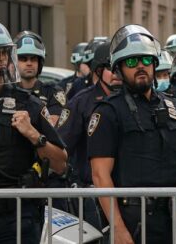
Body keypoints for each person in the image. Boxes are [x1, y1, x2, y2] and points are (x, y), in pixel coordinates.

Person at [88, 25, 176, 244]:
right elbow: (100, 176)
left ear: (155, 64)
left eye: (146, 60)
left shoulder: (175, 106)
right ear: (119, 68)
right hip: (135, 220)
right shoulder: (109, 112)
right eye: (131, 62)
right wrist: (118, 229)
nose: (140, 66)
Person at [0, 19, 67, 243]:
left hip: (17, 217)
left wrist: (33, 135)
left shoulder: (28, 104)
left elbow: (60, 164)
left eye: (4, 52)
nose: (1, 59)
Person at [57, 41, 121, 230]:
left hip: (127, 191)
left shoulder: (133, 100)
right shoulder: (81, 102)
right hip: (91, 192)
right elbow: (62, 147)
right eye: (110, 67)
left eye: (119, 66)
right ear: (98, 70)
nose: (116, 73)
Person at [14, 31, 67, 126]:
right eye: (23, 59)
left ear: (40, 63)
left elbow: (53, 127)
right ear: (15, 62)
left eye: (33, 59)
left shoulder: (53, 92)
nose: (29, 63)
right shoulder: (6, 92)